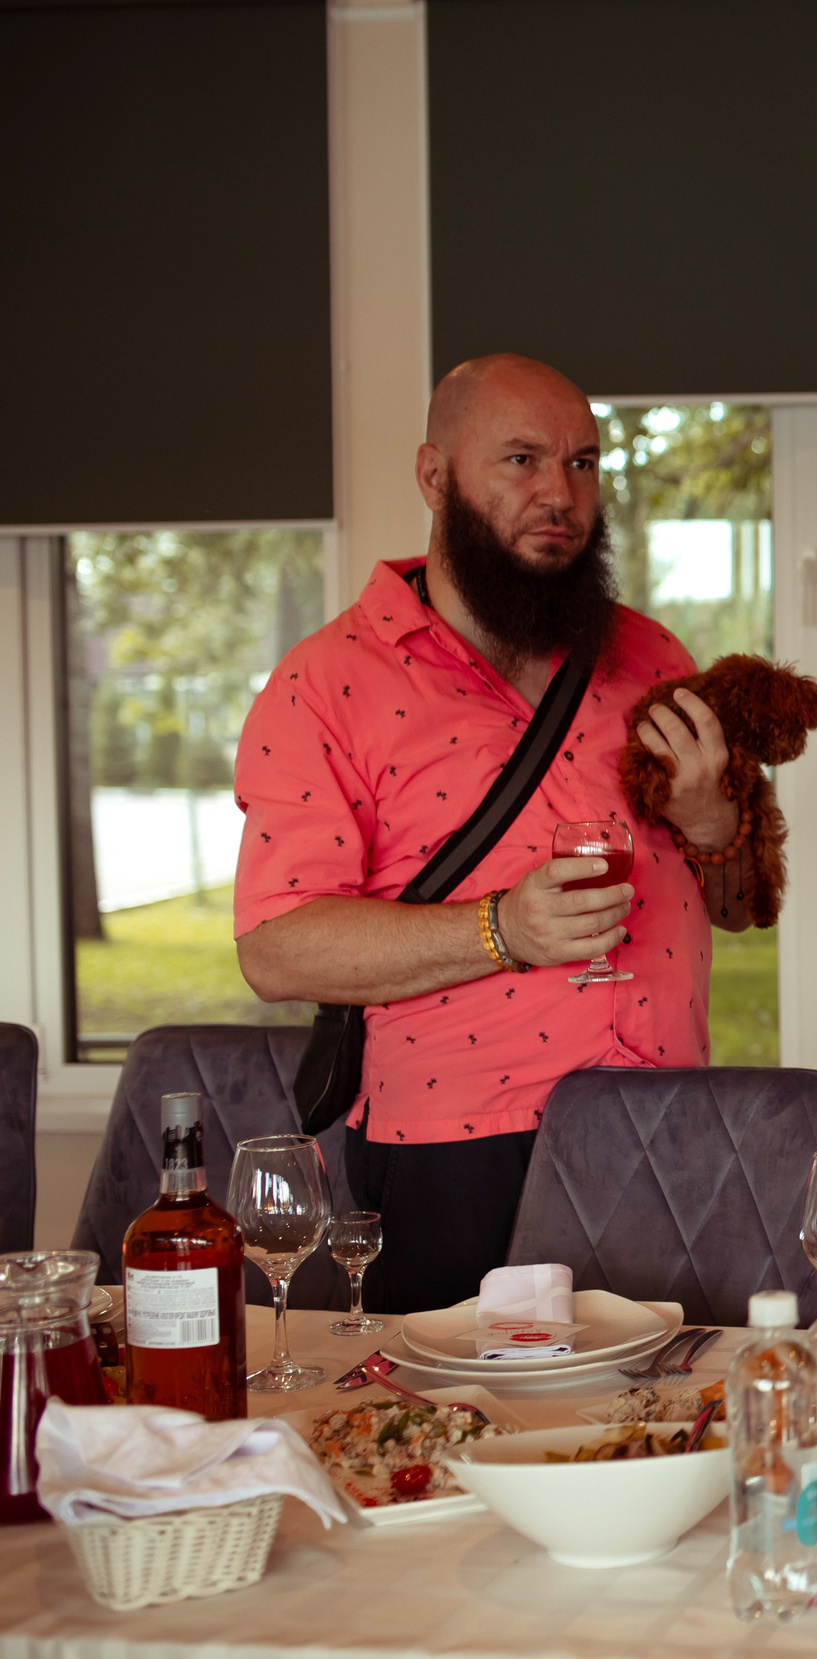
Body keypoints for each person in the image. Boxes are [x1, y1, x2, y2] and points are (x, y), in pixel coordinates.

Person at [233, 354, 754, 1311]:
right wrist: (499, 931)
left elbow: (732, 905)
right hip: (457, 1147)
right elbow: (275, 945)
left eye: (584, 463)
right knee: (463, 1436)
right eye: (521, 460)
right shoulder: (324, 682)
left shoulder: (651, 654)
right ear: (435, 477)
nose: (560, 494)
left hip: (667, 1120)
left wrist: (717, 825)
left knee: (676, 1426)